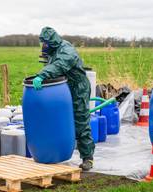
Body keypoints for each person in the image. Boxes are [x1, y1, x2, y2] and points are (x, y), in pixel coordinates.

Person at [33, 27, 95, 171]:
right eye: (42, 43)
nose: (43, 46)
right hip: (64, 88)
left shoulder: (67, 51)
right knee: (61, 120)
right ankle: (58, 151)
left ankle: (88, 158)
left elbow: (59, 65)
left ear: (52, 42)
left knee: (80, 122)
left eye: (45, 43)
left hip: (78, 89)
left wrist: (42, 74)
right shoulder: (54, 50)